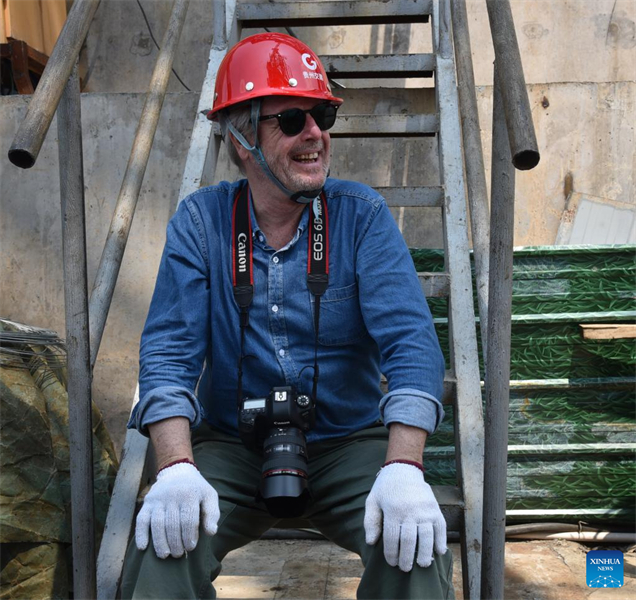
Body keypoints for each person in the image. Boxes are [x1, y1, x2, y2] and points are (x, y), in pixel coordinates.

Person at [121, 32, 454, 600]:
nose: (316, 135)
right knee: (162, 547)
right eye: (293, 119)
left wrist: (404, 468)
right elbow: (167, 355)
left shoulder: (361, 217)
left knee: (413, 550)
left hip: (349, 442)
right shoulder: (202, 224)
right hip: (233, 444)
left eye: (322, 115)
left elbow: (412, 347)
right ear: (241, 138)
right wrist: (175, 466)